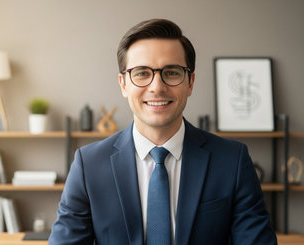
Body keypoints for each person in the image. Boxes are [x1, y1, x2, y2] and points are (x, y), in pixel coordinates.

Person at [48, 19, 277, 245]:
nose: (157, 87)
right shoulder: (88, 165)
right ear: (123, 84)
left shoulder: (232, 161)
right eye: (141, 73)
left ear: (190, 82)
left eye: (172, 72)